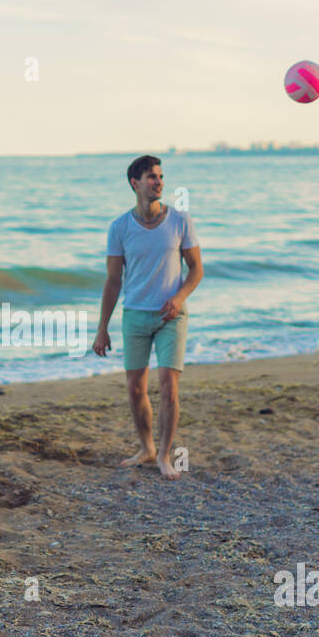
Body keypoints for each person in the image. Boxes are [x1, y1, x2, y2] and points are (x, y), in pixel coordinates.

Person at [92, 155, 203, 480]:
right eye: (152, 177)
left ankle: (165, 455)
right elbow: (113, 282)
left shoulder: (181, 220)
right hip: (135, 316)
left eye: (161, 176)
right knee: (135, 390)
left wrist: (179, 297)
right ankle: (147, 448)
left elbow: (196, 269)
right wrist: (102, 329)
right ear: (135, 183)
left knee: (168, 387)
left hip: (173, 315)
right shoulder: (120, 227)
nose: (159, 182)